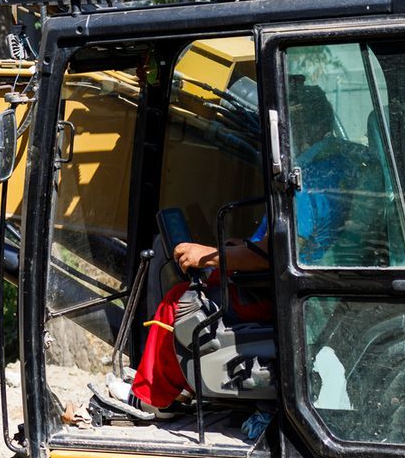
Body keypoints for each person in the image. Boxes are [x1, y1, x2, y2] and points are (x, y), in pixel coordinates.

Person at [127, 83, 370, 413]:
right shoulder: (342, 166)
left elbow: (274, 255)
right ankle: (177, 388)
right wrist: (235, 248)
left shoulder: (307, 179)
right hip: (317, 287)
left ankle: (152, 397)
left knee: (178, 301)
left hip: (284, 295)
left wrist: (209, 255)